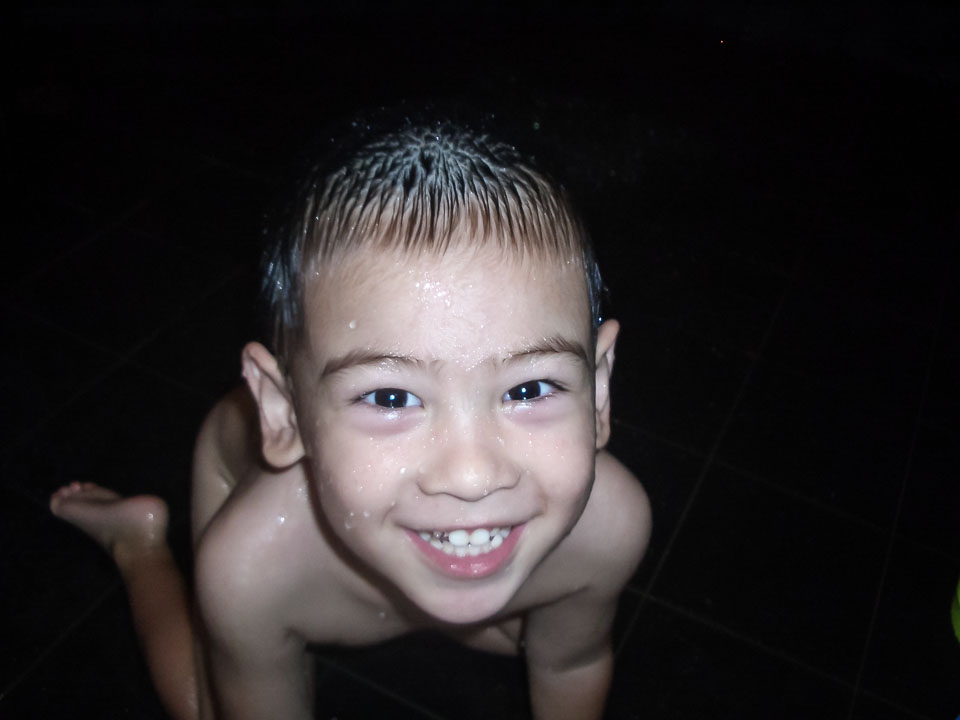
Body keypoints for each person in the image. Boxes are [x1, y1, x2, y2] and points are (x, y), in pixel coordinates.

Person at [50, 117, 652, 720]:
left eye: (530, 389)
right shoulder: (253, 569)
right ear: (284, 411)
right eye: (390, 398)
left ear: (598, 389)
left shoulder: (610, 529)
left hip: (395, 531)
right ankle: (136, 542)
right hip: (243, 470)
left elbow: (571, 664)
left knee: (534, 631)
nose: (472, 476)